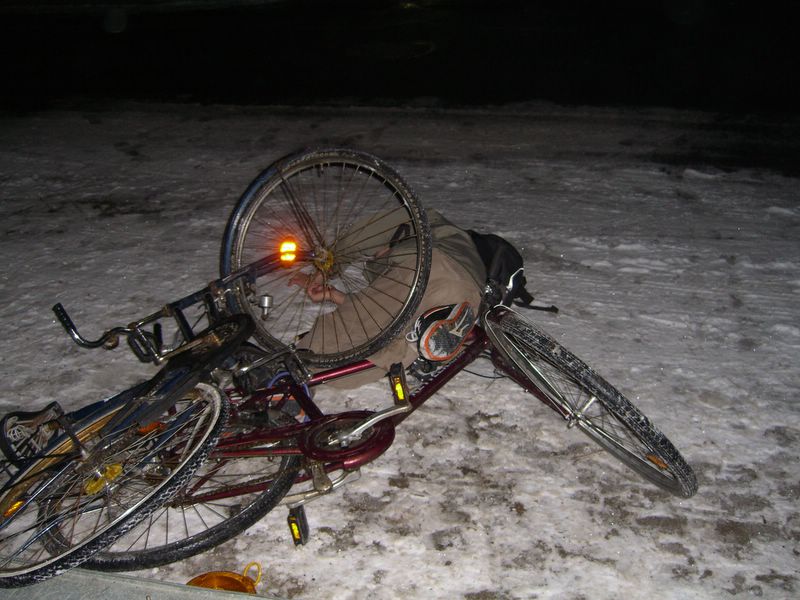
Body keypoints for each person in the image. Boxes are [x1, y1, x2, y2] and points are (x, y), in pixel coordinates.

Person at [289, 209, 486, 382]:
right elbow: (379, 306)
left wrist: (322, 271)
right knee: (390, 355)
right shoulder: (463, 248)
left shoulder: (422, 224)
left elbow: (360, 236)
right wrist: (332, 294)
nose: (375, 257)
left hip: (428, 266)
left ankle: (289, 377)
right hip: (467, 293)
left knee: (348, 329)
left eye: (375, 255)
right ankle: (427, 339)